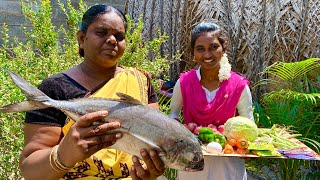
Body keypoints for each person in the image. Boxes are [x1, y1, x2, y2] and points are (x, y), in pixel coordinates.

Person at [19, 4, 165, 180]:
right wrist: (65, 154)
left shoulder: (140, 80)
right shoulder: (55, 89)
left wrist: (151, 171)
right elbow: (30, 170)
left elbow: (155, 142)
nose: (112, 40)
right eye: (101, 32)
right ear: (82, 38)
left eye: (119, 36)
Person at [169, 21, 254, 180]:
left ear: (224, 48)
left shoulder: (238, 86)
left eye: (213, 47)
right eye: (200, 49)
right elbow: (173, 113)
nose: (207, 55)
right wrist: (178, 130)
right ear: (193, 53)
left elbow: (249, 121)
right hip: (191, 166)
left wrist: (247, 145)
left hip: (228, 168)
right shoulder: (184, 83)